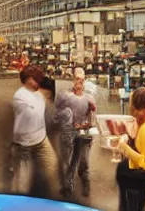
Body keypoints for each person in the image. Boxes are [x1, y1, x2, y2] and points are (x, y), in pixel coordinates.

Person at [11, 66, 58, 198]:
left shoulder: (38, 94)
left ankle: (46, 196)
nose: (38, 83)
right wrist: (43, 98)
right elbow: (33, 115)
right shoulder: (19, 97)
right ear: (28, 80)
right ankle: (19, 208)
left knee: (52, 166)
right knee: (22, 184)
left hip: (41, 139)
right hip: (23, 144)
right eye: (35, 80)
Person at [53, 68, 96, 198]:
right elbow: (57, 113)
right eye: (77, 79)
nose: (80, 82)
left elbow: (92, 115)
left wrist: (87, 124)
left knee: (83, 159)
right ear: (73, 80)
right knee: (68, 160)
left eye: (82, 80)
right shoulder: (65, 96)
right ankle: (67, 186)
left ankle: (85, 182)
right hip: (69, 132)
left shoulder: (89, 97)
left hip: (84, 132)